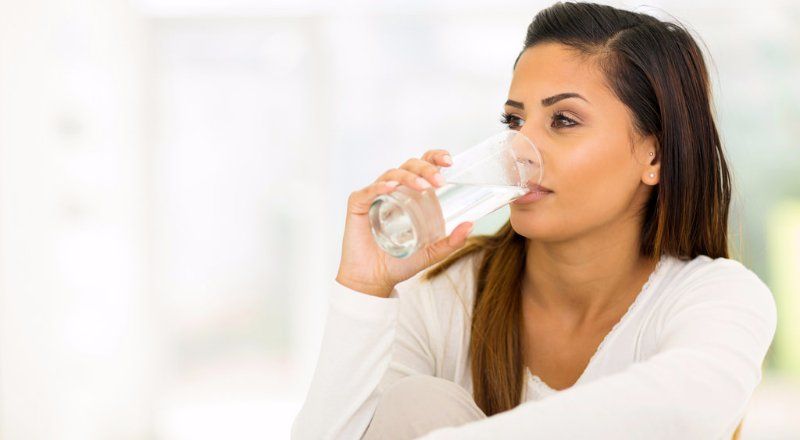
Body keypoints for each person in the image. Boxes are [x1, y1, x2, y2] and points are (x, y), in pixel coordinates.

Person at [291, 2, 777, 439]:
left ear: (656, 155)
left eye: (564, 120)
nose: (519, 153)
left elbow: (680, 413)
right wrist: (364, 288)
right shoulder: (450, 296)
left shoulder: (717, 297)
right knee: (418, 403)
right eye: (514, 122)